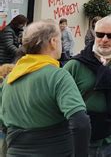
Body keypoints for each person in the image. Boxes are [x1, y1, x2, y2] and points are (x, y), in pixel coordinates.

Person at [0, 20, 90, 156]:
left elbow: (4, 124)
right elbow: (80, 122)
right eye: (59, 39)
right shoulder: (57, 76)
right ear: (53, 42)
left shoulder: (9, 79)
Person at [64, 16, 111, 156]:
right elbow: (58, 99)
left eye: (110, 36)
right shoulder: (75, 65)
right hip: (79, 140)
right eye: (100, 34)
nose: (104, 39)